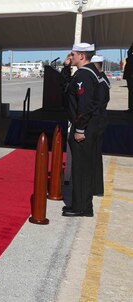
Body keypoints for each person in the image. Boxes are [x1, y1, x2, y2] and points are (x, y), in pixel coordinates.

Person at [62, 43, 100, 218]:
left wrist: (79, 129)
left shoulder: (84, 75)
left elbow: (84, 105)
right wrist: (66, 66)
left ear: (82, 56)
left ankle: (81, 207)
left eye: (73, 54)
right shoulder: (88, 73)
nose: (71, 57)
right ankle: (83, 205)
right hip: (86, 126)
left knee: (80, 169)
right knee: (82, 168)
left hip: (83, 128)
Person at [91, 55, 110, 196]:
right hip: (99, 120)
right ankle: (95, 187)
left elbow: (98, 103)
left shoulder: (101, 80)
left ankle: (96, 188)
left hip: (97, 121)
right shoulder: (101, 78)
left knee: (95, 155)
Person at [124, 44, 133, 112]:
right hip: (130, 76)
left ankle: (131, 108)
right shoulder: (130, 58)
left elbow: (129, 52)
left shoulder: (131, 58)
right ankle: (131, 108)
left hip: (130, 76)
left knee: (131, 93)